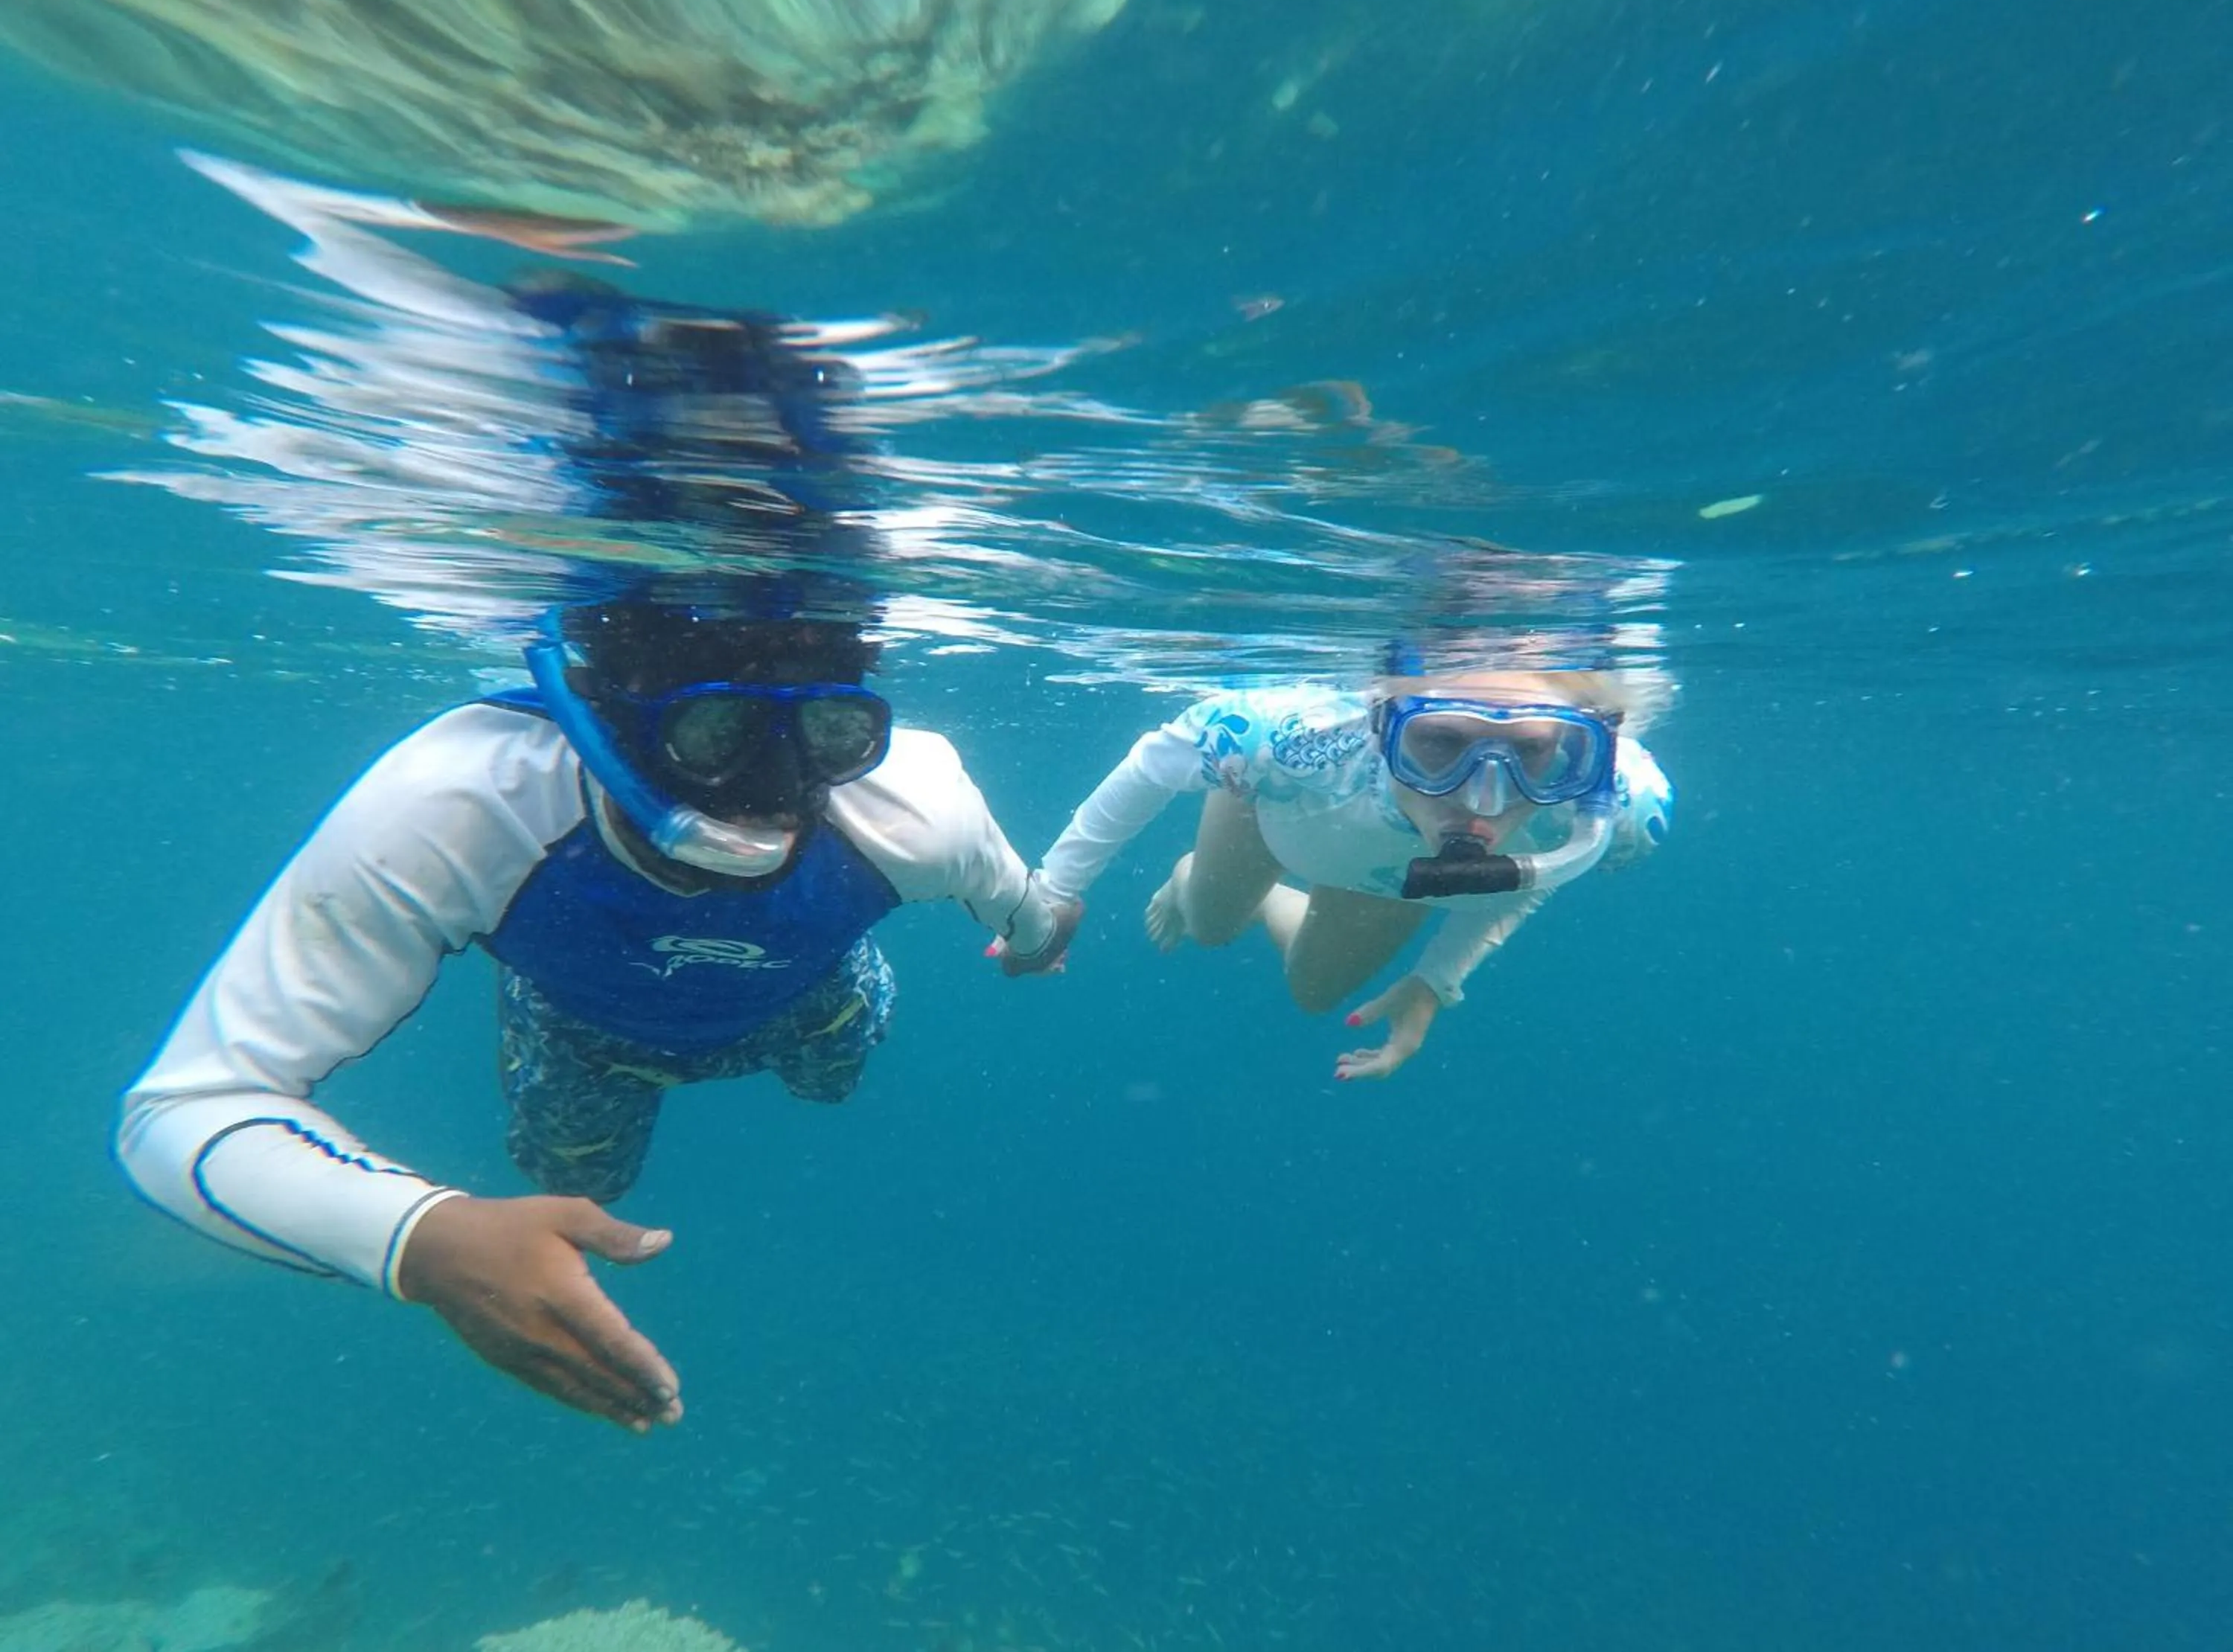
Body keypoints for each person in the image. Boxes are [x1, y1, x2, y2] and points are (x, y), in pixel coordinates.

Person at [116, 592, 1064, 1434]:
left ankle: (807, 982)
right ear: (597, 724)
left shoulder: (918, 803)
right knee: (582, 1187)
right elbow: (183, 1107)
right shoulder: (459, 804)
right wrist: (429, 1240)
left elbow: (1031, 917)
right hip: (587, 1042)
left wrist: (1033, 942)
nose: (777, 790)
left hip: (806, 1001)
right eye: (717, 733)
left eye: (831, 737)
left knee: (833, 1082)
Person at [1000, 661, 1673, 1080]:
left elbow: (1538, 874)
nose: (1482, 797)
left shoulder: (1608, 803)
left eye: (1527, 752)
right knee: (1209, 926)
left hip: (1385, 875)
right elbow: (1151, 766)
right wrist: (1053, 893)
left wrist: (1436, 981)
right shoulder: (1287, 739)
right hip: (1273, 808)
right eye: (1441, 742)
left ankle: (1266, 900)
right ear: (1382, 725)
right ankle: (1190, 874)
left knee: (1315, 996)